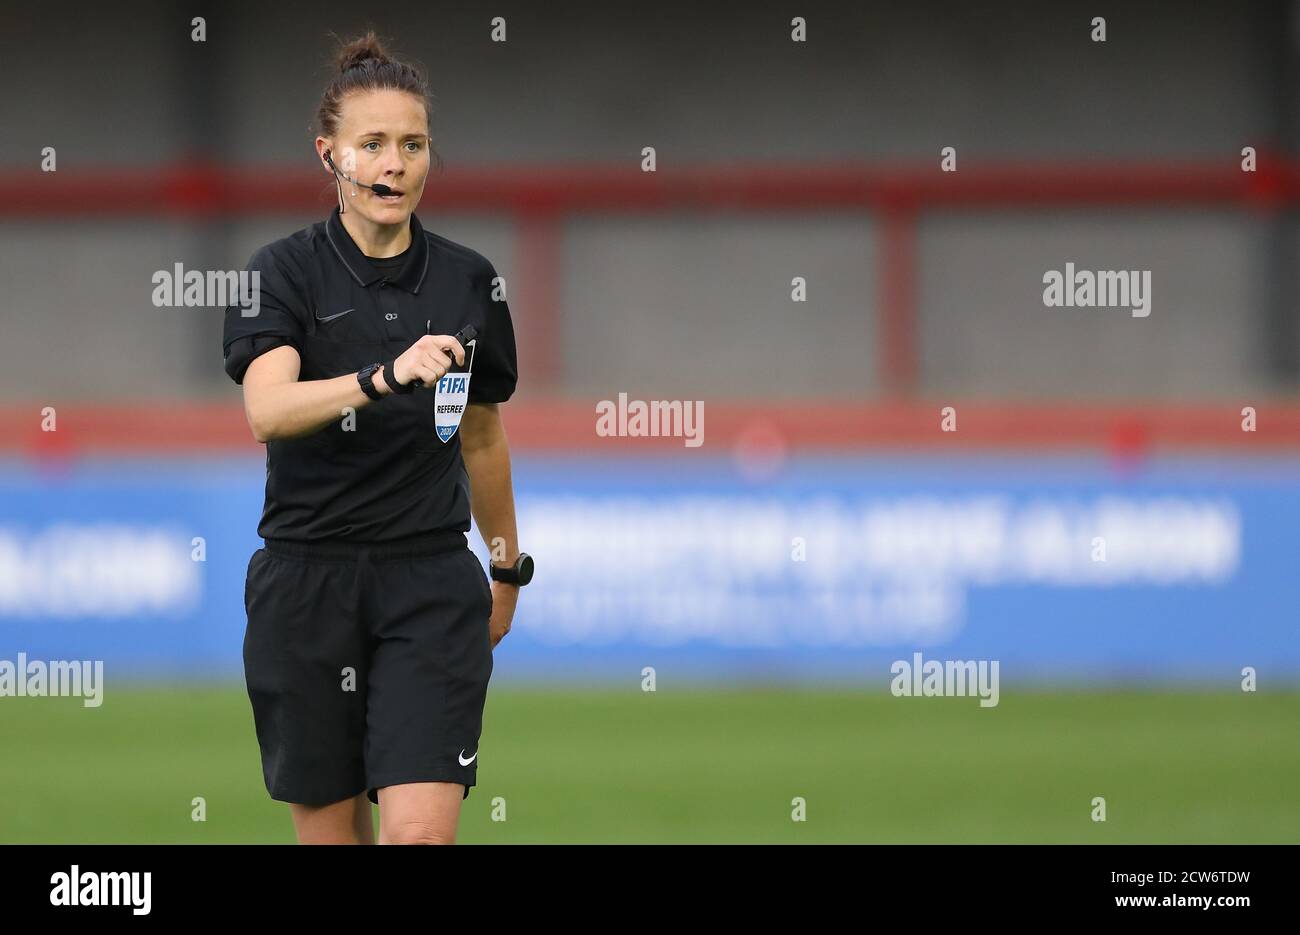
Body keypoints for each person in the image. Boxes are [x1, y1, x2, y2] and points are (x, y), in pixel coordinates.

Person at [221, 31, 533, 844]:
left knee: (418, 837)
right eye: (373, 145)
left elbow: (483, 436)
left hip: (429, 583)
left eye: (413, 144)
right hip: (305, 587)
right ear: (329, 155)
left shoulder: (471, 281)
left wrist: (506, 565)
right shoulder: (279, 273)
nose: (395, 164)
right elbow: (269, 410)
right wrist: (381, 377)